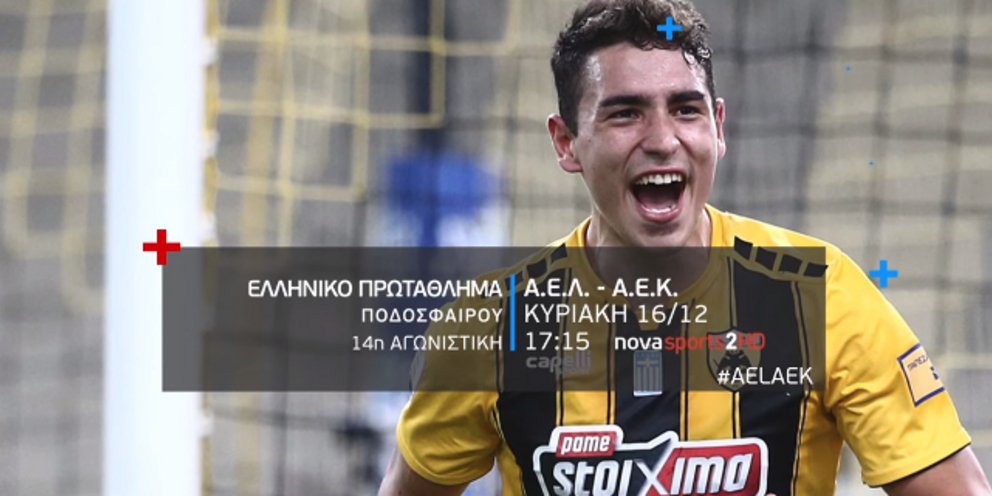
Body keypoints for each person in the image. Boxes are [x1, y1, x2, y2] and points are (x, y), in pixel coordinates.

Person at [378, 0, 992, 494]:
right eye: (625, 114)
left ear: (718, 128)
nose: (662, 139)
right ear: (566, 143)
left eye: (685, 109)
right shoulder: (493, 324)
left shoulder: (820, 295)